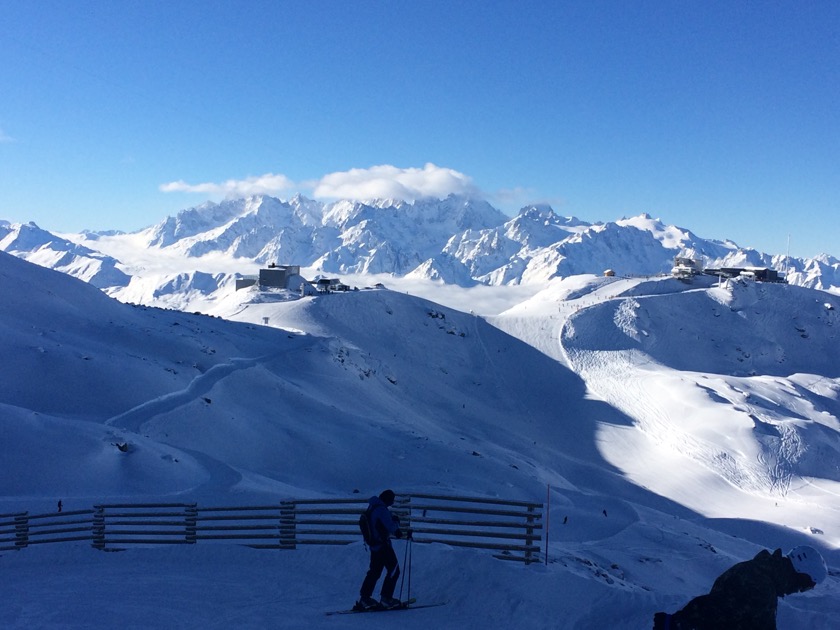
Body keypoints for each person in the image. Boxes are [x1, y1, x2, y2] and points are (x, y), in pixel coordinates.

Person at [653, 545, 827, 629]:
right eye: (804, 586)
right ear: (798, 574)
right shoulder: (762, 589)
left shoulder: (754, 569)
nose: (798, 591)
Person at [357, 489, 407, 610]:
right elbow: (391, 527)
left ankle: (365, 598)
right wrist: (397, 523)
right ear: (388, 499)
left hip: (374, 546)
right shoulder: (382, 510)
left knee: (374, 572)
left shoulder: (372, 507)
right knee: (394, 570)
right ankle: (386, 598)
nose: (392, 502)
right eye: (392, 500)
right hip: (383, 546)